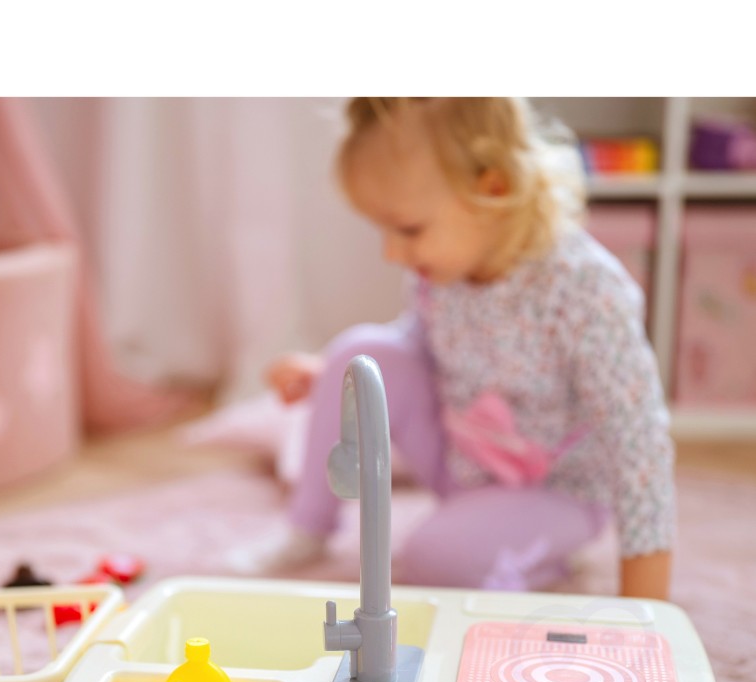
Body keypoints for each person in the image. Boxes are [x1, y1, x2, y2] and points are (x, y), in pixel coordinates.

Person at [235, 97, 675, 600]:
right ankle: (307, 528)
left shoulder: (587, 291)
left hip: (555, 492)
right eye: (384, 230)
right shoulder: (442, 270)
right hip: (461, 465)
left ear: (493, 190)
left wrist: (647, 608)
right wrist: (329, 375)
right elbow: (419, 346)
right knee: (358, 357)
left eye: (409, 229)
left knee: (435, 558)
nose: (391, 252)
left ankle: (528, 559)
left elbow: (641, 448)